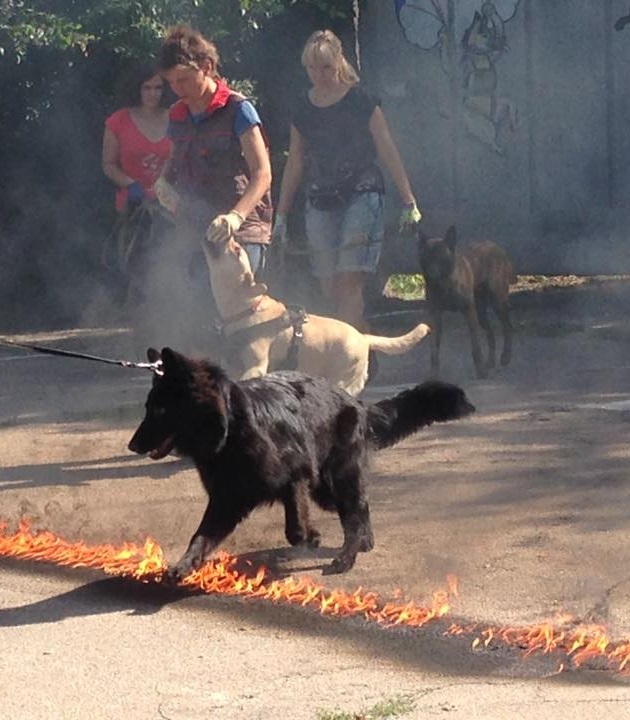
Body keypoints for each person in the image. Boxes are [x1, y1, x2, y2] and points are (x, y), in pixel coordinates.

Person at [272, 29, 422, 331]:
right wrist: (282, 216)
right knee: (329, 287)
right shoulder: (302, 106)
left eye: (325, 66)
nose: (319, 74)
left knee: (348, 282)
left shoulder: (360, 99)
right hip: (320, 197)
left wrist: (409, 200)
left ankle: (347, 363)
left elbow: (386, 148)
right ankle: (364, 348)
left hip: (362, 193)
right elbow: (295, 161)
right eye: (312, 68)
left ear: (338, 62)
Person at [156, 23, 273, 279]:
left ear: (206, 67)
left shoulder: (238, 110)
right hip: (194, 233)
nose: (177, 88)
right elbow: (173, 163)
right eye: (172, 82)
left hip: (240, 236)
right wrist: (163, 184)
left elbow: (262, 174)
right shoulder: (178, 115)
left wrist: (235, 217)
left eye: (183, 79)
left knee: (237, 316)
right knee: (199, 315)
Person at [102, 63, 171, 213]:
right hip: (131, 207)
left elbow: (179, 158)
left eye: (158, 88)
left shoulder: (177, 118)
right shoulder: (118, 121)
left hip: (170, 206)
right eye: (147, 87)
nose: (153, 93)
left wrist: (163, 185)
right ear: (137, 88)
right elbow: (108, 164)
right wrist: (131, 185)